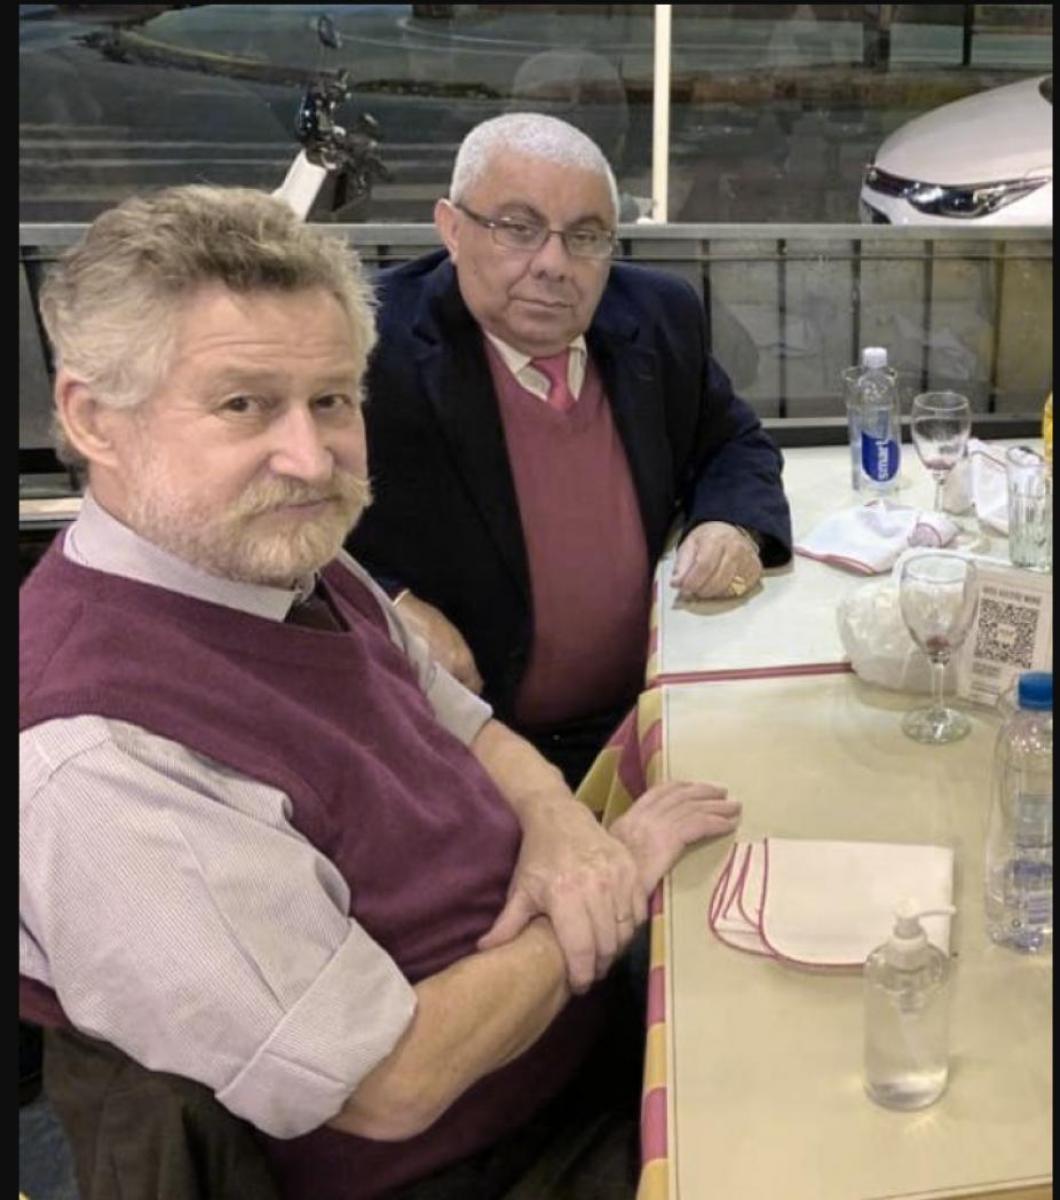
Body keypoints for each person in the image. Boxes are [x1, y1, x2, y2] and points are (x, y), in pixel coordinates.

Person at [19, 185, 742, 1200]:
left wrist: (561, 832)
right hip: (485, 1160)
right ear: (94, 419)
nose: (311, 458)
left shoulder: (286, 560)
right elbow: (391, 1084)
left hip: (577, 1029)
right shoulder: (98, 754)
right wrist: (614, 873)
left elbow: (468, 724)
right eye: (242, 405)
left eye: (331, 400)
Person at [346, 112, 793, 787]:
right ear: (452, 228)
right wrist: (388, 603)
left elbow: (732, 439)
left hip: (645, 712)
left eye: (585, 236)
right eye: (518, 227)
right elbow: (281, 520)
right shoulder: (367, 347)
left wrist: (733, 523)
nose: (553, 265)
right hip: (467, 741)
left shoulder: (658, 314)